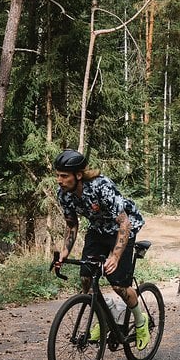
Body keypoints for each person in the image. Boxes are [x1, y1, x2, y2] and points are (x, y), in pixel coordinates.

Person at [52, 148, 150, 349]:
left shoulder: (101, 187)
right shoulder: (64, 194)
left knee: (119, 286)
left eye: (63, 176)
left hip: (123, 228)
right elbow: (72, 225)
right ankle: (105, 314)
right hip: (97, 230)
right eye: (57, 175)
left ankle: (141, 322)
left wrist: (114, 256)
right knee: (86, 279)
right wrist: (63, 255)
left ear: (78, 175)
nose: (59, 180)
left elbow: (124, 224)